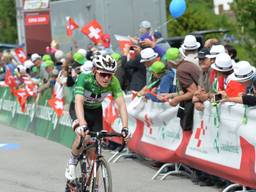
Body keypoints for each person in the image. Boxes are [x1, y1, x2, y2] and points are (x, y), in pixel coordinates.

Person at [65, 54, 129, 180]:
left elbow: (121, 105)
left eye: (109, 75)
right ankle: (72, 161)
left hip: (95, 111)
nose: (106, 78)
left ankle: (93, 181)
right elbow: (78, 102)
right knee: (83, 135)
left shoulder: (114, 82)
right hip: (79, 109)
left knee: (94, 151)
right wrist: (82, 124)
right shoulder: (84, 78)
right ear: (94, 71)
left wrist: (125, 127)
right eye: (103, 74)